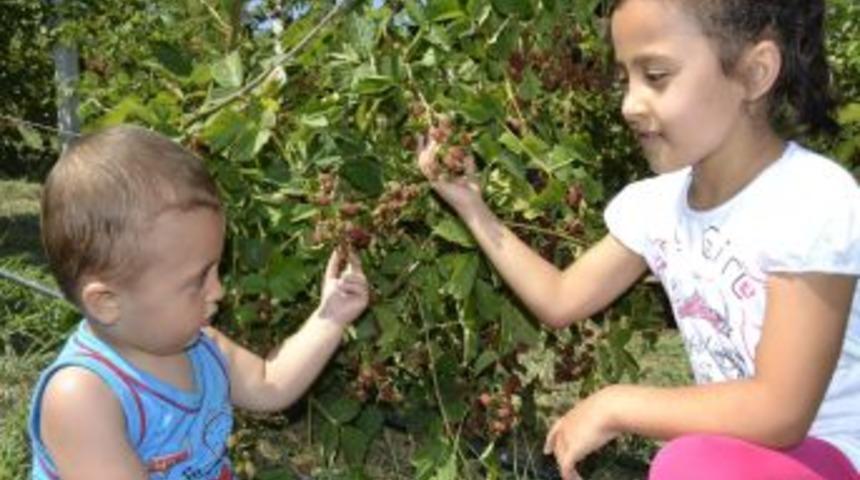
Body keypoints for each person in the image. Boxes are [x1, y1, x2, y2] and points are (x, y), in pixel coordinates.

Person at [417, 0, 860, 479]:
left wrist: (616, 405)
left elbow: (781, 411)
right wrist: (472, 207)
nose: (629, 104)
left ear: (755, 73)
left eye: (656, 75)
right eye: (625, 78)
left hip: (832, 454)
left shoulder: (810, 199)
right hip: (741, 454)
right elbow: (560, 298)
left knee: (689, 464)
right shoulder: (656, 207)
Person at [29, 125, 369, 479]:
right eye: (197, 280)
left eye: (216, 269)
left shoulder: (203, 346)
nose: (219, 290)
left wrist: (331, 316)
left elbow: (270, 383)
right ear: (107, 302)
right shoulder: (83, 398)